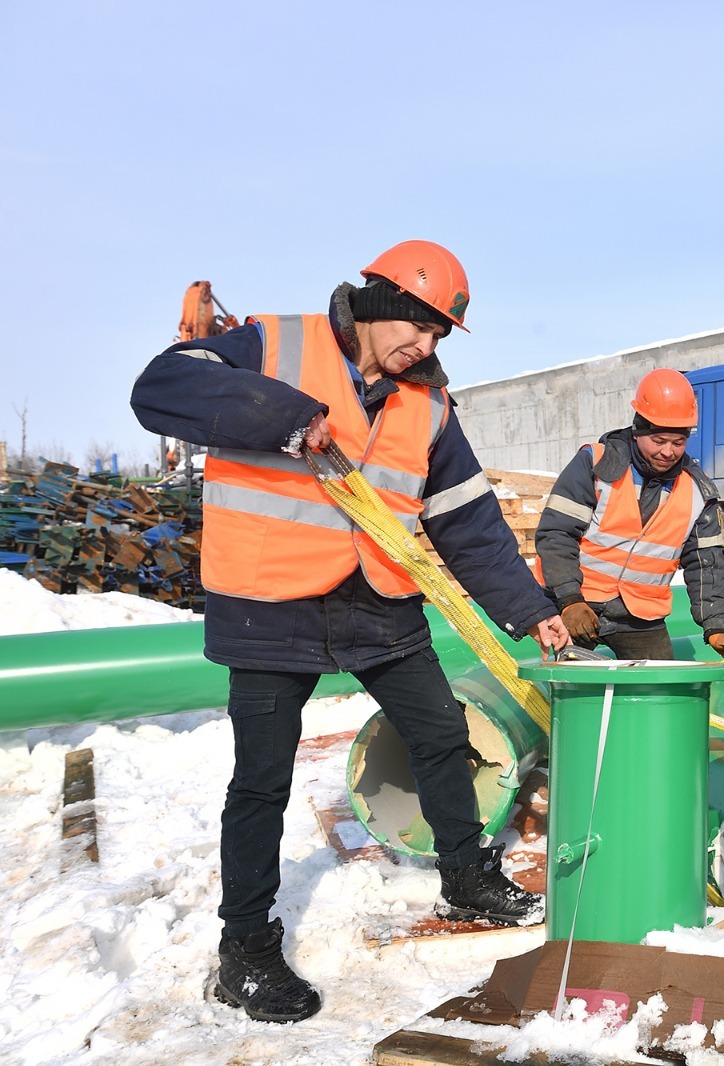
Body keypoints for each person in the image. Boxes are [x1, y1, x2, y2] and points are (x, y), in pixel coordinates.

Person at [130, 240, 571, 1023]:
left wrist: (533, 610)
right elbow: (161, 387)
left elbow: (469, 524)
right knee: (261, 780)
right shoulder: (274, 344)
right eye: (420, 325)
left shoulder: (430, 406)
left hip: (377, 603)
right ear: (376, 301)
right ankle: (245, 950)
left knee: (441, 732)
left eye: (440, 336)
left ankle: (466, 877)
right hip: (272, 599)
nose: (426, 347)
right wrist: (288, 415)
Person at [534, 368, 724, 663]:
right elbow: (556, 534)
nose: (668, 452)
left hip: (639, 615)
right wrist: (569, 599)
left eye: (678, 442)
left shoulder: (698, 491)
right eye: (658, 441)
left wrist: (715, 627)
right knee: (570, 692)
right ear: (638, 431)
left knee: (659, 693)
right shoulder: (595, 465)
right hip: (574, 606)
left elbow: (706, 563)